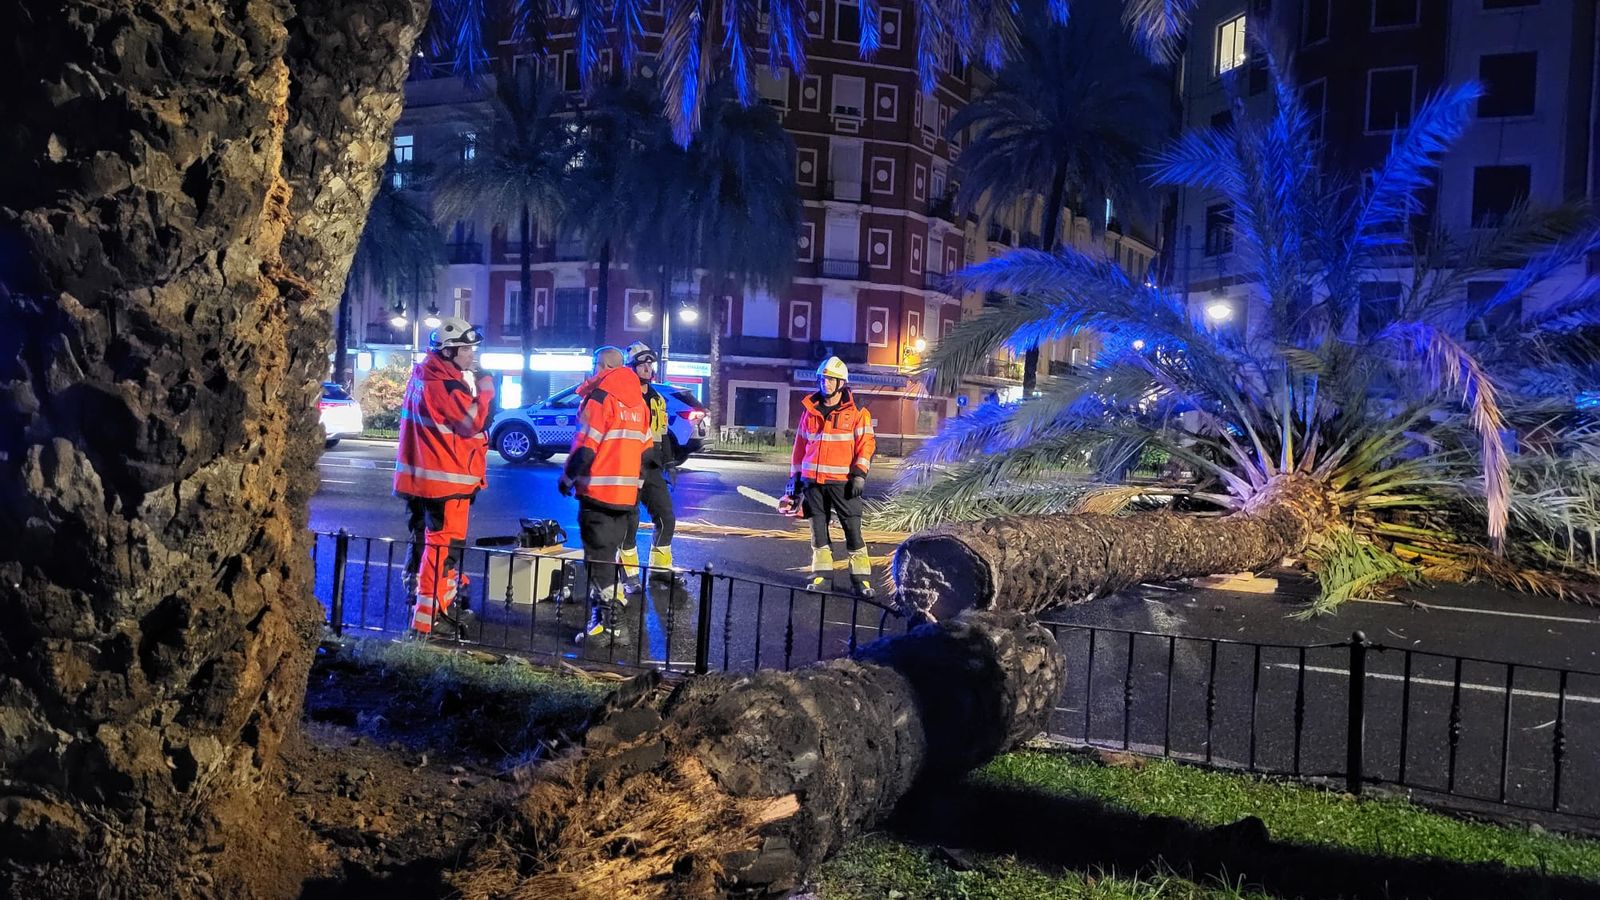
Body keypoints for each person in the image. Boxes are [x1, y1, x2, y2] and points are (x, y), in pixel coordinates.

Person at [394, 316, 493, 640]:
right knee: (441, 548)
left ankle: (436, 603)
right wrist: (487, 388)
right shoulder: (446, 385)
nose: (472, 355)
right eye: (467, 349)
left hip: (419, 481)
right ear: (449, 351)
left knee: (426, 543)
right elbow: (473, 422)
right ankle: (427, 620)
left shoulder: (422, 377)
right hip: (446, 482)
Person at [559, 346, 652, 640]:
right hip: (625, 500)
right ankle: (602, 620)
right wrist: (635, 490)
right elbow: (647, 455)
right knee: (608, 559)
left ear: (601, 366)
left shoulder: (600, 399)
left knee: (598, 562)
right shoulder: (639, 404)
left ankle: (611, 626)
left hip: (598, 494)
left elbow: (585, 448)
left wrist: (567, 477)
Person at [780, 356, 877, 599]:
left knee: (852, 531)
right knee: (818, 532)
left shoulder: (857, 413)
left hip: (843, 483)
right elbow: (800, 446)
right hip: (813, 482)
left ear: (841, 383)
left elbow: (866, 444)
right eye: (823, 379)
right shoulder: (809, 412)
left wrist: (859, 474)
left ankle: (861, 581)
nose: (826, 384)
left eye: (831, 380)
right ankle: (822, 577)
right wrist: (795, 479)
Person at [618, 341, 687, 598]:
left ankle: (660, 570)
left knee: (666, 517)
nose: (647, 367)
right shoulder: (624, 397)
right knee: (630, 521)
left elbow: (662, 433)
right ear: (631, 367)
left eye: (650, 363)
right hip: (627, 466)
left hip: (653, 466)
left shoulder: (656, 398)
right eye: (642, 363)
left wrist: (669, 463)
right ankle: (629, 574)